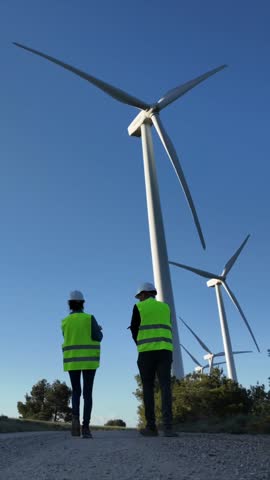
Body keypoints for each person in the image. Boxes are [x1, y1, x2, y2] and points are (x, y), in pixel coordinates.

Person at [129, 282, 178, 437]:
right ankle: (168, 427)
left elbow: (134, 329)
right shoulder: (165, 307)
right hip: (165, 351)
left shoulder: (139, 307)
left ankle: (151, 427)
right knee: (165, 387)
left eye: (139, 297)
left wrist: (141, 344)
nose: (139, 300)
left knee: (148, 388)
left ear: (143, 294)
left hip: (147, 353)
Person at [61, 290, 103, 439]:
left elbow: (68, 337)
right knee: (87, 394)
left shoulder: (64, 322)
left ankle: (75, 420)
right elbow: (98, 337)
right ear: (83, 303)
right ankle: (85, 427)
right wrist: (99, 330)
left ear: (69, 304)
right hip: (89, 361)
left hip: (72, 361)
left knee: (76, 392)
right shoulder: (89, 318)